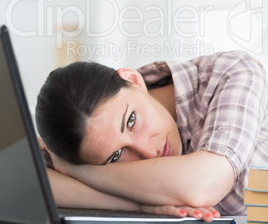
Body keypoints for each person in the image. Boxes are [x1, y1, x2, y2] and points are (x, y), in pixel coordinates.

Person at [35, 50, 268, 221]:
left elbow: (203, 185)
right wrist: (137, 205)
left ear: (133, 80)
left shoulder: (231, 72)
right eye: (116, 156)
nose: (147, 152)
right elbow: (22, 184)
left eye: (131, 121)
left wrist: (76, 171)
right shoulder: (86, 143)